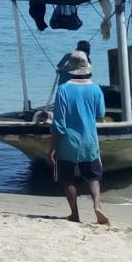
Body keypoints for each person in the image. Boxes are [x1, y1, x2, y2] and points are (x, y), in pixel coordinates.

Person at [50, 51, 110, 225]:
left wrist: (52, 148)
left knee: (67, 177)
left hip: (67, 141)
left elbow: (59, 123)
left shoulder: (63, 90)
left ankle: (75, 214)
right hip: (89, 140)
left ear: (70, 69)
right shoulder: (96, 89)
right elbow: (100, 115)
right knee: (93, 176)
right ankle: (97, 206)